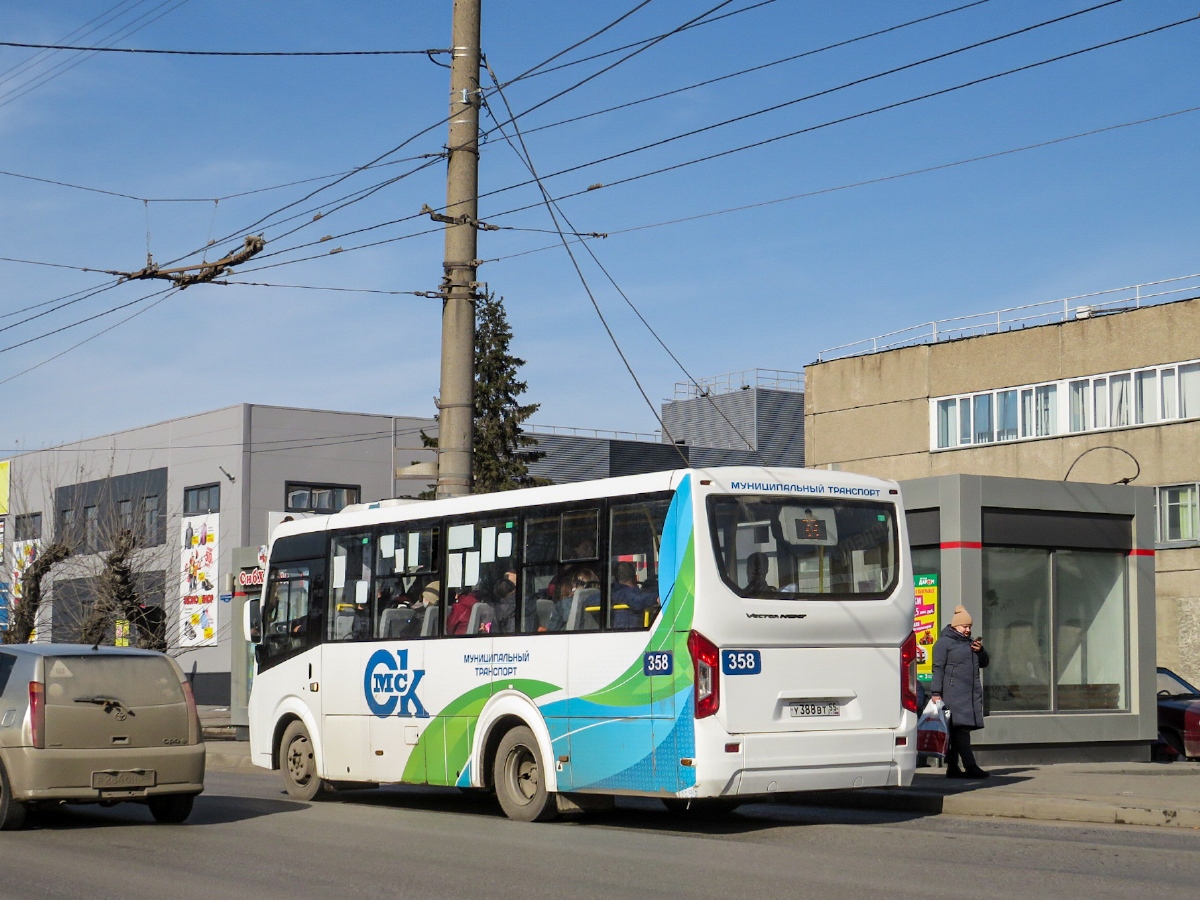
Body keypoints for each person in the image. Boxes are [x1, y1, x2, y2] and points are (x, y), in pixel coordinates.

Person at [931, 605, 991, 779]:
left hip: (968, 695)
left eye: (969, 627)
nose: (967, 630)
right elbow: (938, 668)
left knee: (957, 732)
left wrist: (981, 651)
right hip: (952, 695)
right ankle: (970, 766)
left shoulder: (971, 643)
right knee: (961, 731)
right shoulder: (944, 643)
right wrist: (936, 692)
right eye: (964, 626)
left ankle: (952, 767)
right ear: (955, 626)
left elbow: (984, 663)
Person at [610, 561, 658, 629]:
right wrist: (657, 597)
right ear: (636, 578)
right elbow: (638, 602)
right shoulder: (627, 593)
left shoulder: (611, 594)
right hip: (632, 632)